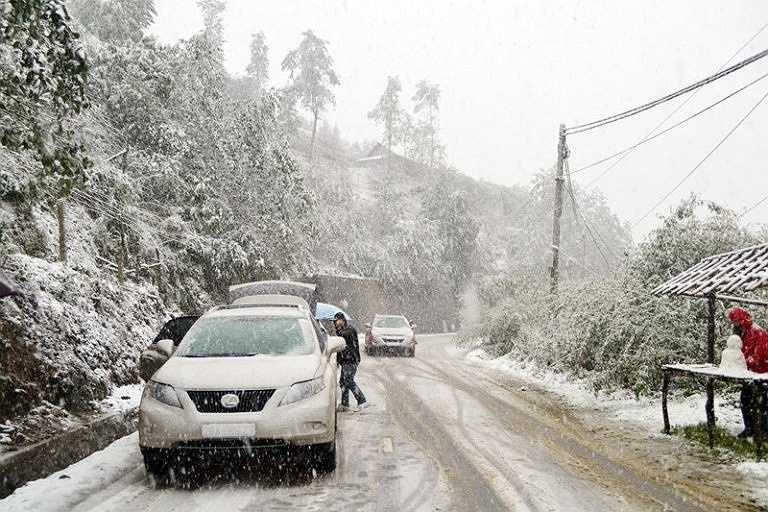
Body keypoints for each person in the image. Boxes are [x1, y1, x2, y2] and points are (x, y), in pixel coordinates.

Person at [728, 307, 768, 437]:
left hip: (762, 374)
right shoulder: (742, 333)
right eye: (733, 322)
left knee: (762, 403)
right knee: (745, 400)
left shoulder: (757, 332)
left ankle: (764, 432)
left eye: (735, 321)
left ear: (741, 320)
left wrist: (745, 361)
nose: (734, 324)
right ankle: (750, 428)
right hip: (749, 374)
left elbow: (761, 355)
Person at [334, 312, 368, 411]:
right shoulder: (341, 331)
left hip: (351, 360)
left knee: (348, 380)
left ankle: (362, 400)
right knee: (343, 382)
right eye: (335, 321)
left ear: (343, 320)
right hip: (345, 361)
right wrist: (338, 360)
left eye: (338, 320)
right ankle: (345, 404)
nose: (336, 323)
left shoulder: (349, 330)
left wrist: (339, 334)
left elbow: (350, 345)